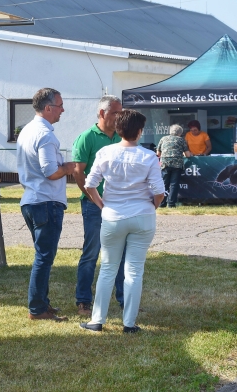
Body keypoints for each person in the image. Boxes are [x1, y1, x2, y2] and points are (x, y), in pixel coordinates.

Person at [80, 110, 165, 333]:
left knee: (108, 268)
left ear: (118, 130)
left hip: (112, 216)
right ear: (139, 131)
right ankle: (129, 324)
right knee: (134, 271)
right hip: (142, 217)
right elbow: (159, 191)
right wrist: (150, 207)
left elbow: (90, 185)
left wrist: (101, 206)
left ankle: (97, 320)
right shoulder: (148, 156)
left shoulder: (105, 152)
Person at [17, 88, 75, 321]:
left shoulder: (26, 130)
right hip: (45, 201)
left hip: (32, 200)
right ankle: (38, 309)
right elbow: (51, 172)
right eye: (60, 105)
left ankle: (42, 303)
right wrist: (69, 168)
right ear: (48, 108)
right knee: (44, 257)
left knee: (43, 256)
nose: (63, 110)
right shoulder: (46, 135)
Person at [71, 95, 125, 317]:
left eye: (121, 113)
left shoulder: (123, 137)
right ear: (102, 113)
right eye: (115, 113)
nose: (119, 117)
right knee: (92, 253)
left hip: (119, 204)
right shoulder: (87, 137)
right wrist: (94, 199)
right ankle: (84, 300)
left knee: (120, 254)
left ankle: (124, 299)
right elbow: (78, 171)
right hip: (94, 205)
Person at [156, 124, 191, 208]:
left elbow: (158, 153)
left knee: (164, 184)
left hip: (164, 163)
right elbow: (188, 155)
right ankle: (171, 204)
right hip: (177, 164)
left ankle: (162, 203)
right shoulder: (181, 140)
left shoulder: (163, 138)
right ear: (180, 133)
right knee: (174, 184)